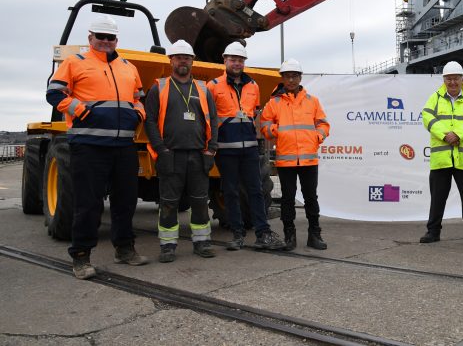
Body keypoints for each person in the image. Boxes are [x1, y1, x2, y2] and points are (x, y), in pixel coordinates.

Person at [46, 15, 148, 279]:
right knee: (88, 203)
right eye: (100, 37)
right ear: (90, 37)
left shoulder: (128, 67)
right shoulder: (74, 62)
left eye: (109, 37)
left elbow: (140, 98)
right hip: (88, 144)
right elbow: (55, 93)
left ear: (116, 40)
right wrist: (80, 110)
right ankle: (81, 257)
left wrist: (138, 115)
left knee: (125, 201)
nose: (105, 41)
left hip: (123, 145)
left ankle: (124, 249)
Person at [145, 40, 219, 263]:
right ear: (171, 61)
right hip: (171, 154)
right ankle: (168, 246)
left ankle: (202, 242)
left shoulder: (203, 89)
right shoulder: (159, 87)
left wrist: (211, 151)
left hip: (198, 154)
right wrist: (161, 150)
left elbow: (213, 121)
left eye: (186, 58)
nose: (183, 61)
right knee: (168, 202)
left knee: (199, 200)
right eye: (178, 57)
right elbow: (149, 121)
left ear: (192, 61)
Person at [207, 42, 285, 251]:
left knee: (256, 190)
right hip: (225, 149)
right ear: (225, 60)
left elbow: (254, 114)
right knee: (230, 192)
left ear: (244, 63)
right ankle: (237, 234)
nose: (236, 63)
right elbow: (208, 118)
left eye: (240, 60)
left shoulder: (254, 86)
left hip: (249, 148)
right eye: (233, 59)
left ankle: (263, 233)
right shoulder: (213, 85)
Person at [260, 59, 330, 251]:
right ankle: (289, 236)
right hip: (286, 160)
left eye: (294, 76)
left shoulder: (312, 101)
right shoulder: (274, 102)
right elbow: (264, 126)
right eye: (287, 76)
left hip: (308, 159)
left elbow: (323, 124)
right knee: (288, 199)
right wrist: (276, 130)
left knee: (311, 198)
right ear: (282, 78)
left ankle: (314, 235)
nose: (291, 79)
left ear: (300, 78)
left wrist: (317, 137)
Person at [420, 61, 463, 246]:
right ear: (444, 80)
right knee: (437, 198)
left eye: (456, 78)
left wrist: (458, 134)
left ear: (462, 79)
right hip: (441, 159)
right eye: (449, 79)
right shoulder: (435, 98)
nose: (452, 82)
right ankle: (433, 232)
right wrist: (444, 135)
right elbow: (427, 117)